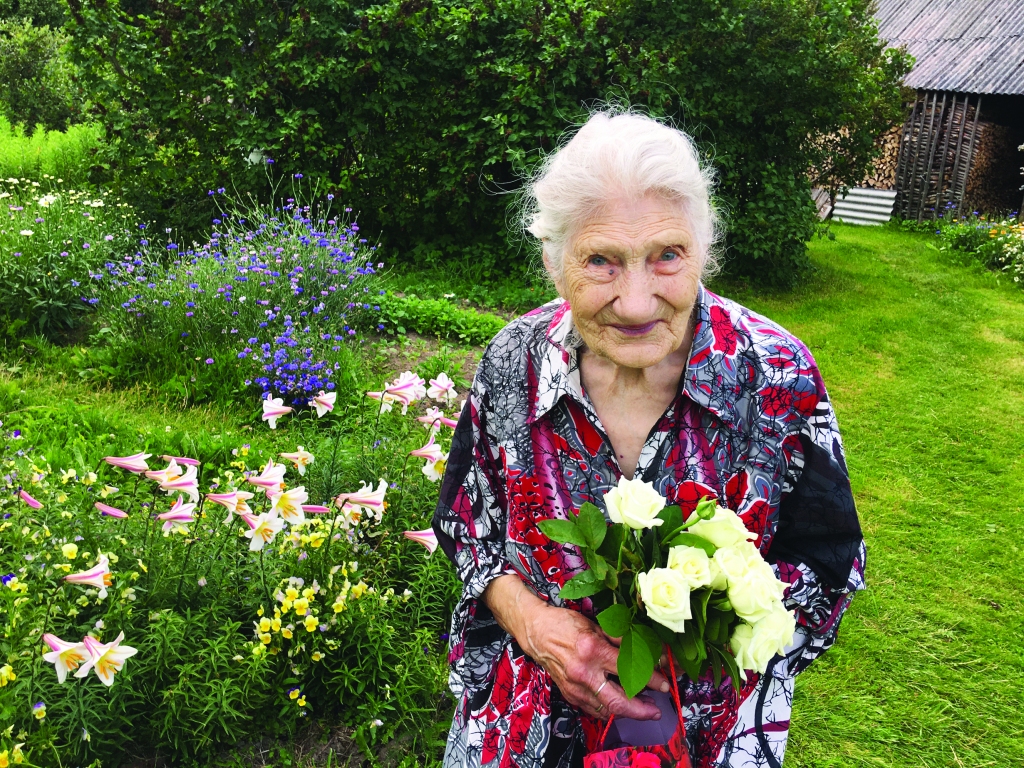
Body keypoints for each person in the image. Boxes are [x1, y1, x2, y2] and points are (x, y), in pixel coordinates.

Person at [432, 110, 865, 768]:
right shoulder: (510, 364)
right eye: (601, 261)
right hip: (526, 735)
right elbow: (467, 527)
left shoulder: (777, 374)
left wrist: (718, 627)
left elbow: (832, 567)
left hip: (708, 743)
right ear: (555, 263)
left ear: (704, 247)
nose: (637, 303)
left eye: (668, 255)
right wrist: (532, 621)